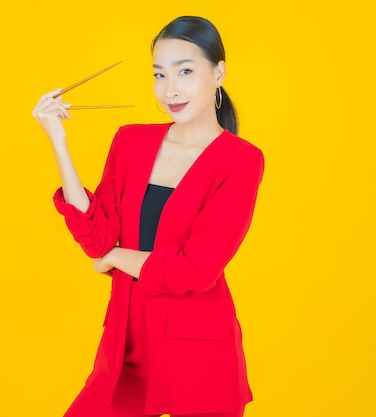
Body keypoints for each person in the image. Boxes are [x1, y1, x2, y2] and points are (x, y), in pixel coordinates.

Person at [32, 16, 264, 417]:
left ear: (219, 72)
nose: (169, 89)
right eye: (159, 74)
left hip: (199, 356)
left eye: (185, 71)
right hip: (127, 349)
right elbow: (97, 237)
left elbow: (192, 271)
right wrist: (58, 141)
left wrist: (116, 259)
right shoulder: (130, 141)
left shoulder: (241, 161)